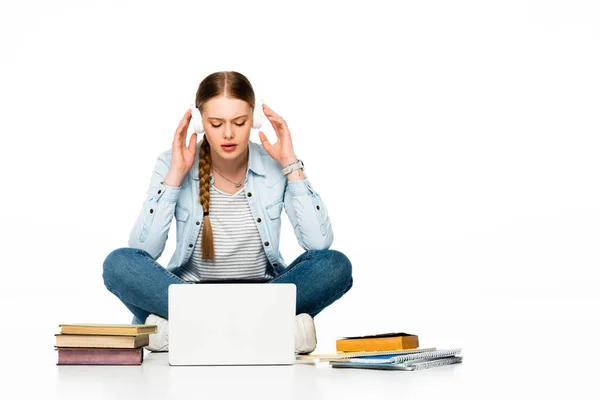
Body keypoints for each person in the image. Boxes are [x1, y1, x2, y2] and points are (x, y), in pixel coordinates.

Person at [102, 71, 353, 354]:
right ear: (200, 123)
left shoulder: (275, 165)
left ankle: (188, 333)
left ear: (254, 120)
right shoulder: (171, 163)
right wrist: (175, 175)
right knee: (118, 263)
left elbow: (318, 243)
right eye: (216, 123)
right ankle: (267, 332)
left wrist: (290, 164)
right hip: (189, 295)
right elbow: (143, 249)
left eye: (239, 122)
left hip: (264, 295)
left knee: (335, 265)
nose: (228, 133)